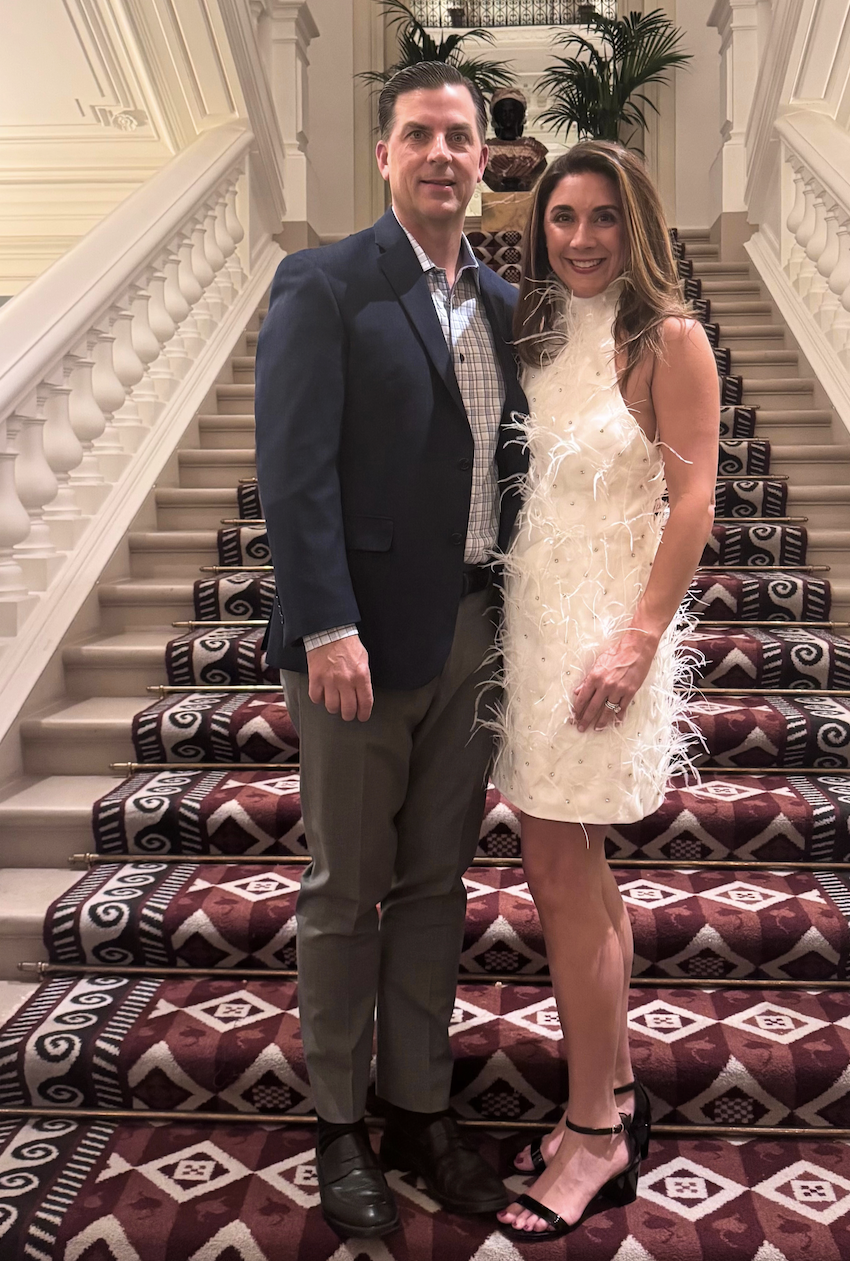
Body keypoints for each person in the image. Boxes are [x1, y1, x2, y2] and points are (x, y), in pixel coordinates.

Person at [254, 61, 527, 1238]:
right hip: (357, 644)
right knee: (344, 890)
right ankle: (337, 1126)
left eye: (457, 137)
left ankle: (419, 1108)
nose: (439, 155)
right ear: (383, 155)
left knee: (433, 889)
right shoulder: (324, 285)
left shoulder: (511, 308)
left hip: (474, 630)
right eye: (417, 134)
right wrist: (325, 622)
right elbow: (293, 470)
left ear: (482, 156)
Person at [492, 141, 720, 1240]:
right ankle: (617, 1094)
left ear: (639, 227)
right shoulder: (537, 336)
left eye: (602, 218)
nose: (580, 239)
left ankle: (590, 1136)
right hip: (531, 633)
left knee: (558, 873)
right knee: (575, 871)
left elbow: (692, 504)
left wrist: (634, 643)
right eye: (562, 217)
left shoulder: (667, 340)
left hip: (600, 643)